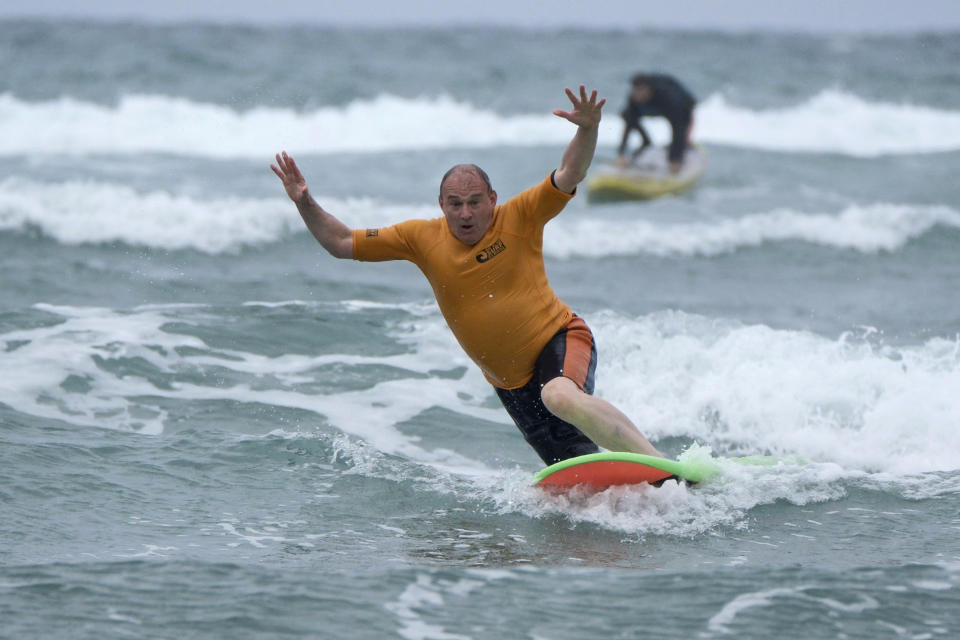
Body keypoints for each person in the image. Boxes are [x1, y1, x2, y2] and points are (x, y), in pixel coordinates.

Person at [271, 85, 663, 466]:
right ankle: (657, 492)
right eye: (455, 204)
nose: (465, 214)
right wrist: (304, 201)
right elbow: (340, 242)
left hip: (560, 341)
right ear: (441, 204)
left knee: (559, 396)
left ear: (491, 199)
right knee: (578, 481)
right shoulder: (420, 237)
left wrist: (588, 128)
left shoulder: (519, 217)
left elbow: (569, 171)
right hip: (511, 386)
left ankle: (660, 463)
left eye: (475, 202)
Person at [616, 73, 696, 173]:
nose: (637, 95)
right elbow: (629, 124)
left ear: (648, 90)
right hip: (657, 106)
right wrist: (621, 153)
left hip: (683, 104)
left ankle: (682, 151)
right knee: (627, 115)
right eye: (635, 91)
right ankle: (646, 142)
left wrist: (675, 158)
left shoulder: (666, 95)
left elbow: (677, 126)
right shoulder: (634, 97)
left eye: (641, 91)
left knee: (680, 125)